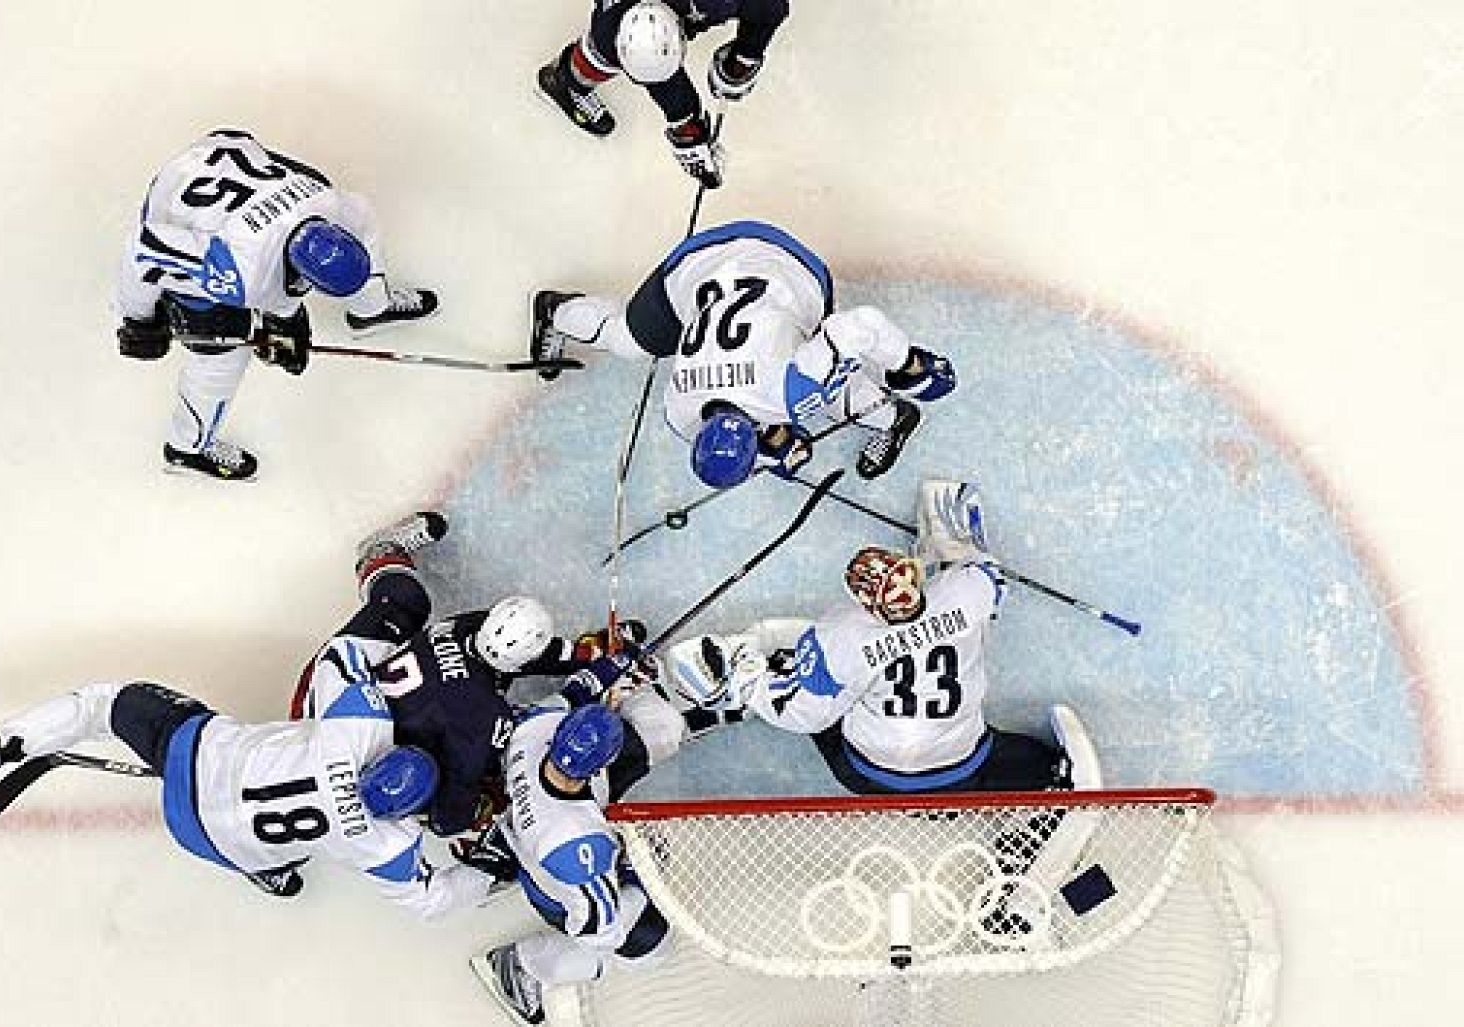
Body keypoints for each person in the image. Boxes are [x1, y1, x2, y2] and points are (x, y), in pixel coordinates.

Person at [0, 675, 496, 916]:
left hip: (195, 757)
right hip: (213, 846)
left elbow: (350, 670)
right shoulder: (385, 846)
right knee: (287, 856)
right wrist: (488, 874)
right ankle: (268, 872)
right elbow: (432, 902)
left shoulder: (354, 735)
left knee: (103, 704)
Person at [663, 478, 1100, 795]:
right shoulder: (967, 595)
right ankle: (1051, 783)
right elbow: (990, 575)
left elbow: (805, 717)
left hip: (868, 779)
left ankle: (727, 689)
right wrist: (953, 552)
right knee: (1034, 764)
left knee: (803, 676)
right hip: (961, 773)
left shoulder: (839, 633)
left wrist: (751, 685)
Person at [289, 510, 648, 838]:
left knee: (404, 603)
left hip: (313, 706)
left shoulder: (467, 627)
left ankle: (383, 556)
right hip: (365, 794)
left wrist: (589, 657)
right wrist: (602, 665)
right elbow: (450, 816)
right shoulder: (486, 717)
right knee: (511, 759)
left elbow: (519, 658)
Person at [114, 129, 439, 481]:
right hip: (178, 200)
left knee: (363, 223)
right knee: (223, 345)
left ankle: (371, 310)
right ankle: (187, 449)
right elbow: (143, 250)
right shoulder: (238, 267)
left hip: (224, 153)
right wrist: (139, 320)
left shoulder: (340, 206)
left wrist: (286, 318)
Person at [530, 220, 956, 485]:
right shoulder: (680, 414)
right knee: (628, 342)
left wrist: (910, 367)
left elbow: (858, 326)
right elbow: (751, 416)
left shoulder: (785, 394)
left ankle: (893, 415)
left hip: (788, 266)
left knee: (831, 394)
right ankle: (555, 310)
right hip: (695, 264)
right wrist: (776, 450)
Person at [467, 654, 686, 1026]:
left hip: (534, 821)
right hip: (551, 883)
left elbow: (572, 693)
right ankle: (525, 966)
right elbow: (600, 929)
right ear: (602, 765)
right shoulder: (581, 846)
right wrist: (640, 876)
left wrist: (615, 673)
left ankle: (644, 690)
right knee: (651, 945)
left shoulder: (532, 731)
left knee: (661, 730)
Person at [536, 0, 792, 188]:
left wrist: (744, 57)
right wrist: (686, 127)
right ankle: (565, 81)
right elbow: (661, 78)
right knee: (602, 49)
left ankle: (576, 76)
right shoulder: (612, 25)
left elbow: (770, 9)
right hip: (625, 17)